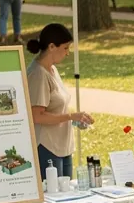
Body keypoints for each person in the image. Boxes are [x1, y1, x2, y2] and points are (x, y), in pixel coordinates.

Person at [26, 23, 93, 178]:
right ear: (51, 47)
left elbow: (57, 108)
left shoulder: (52, 69)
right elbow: (37, 116)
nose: (68, 53)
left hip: (63, 145)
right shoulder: (38, 75)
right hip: (47, 146)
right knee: (54, 196)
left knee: (67, 194)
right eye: (65, 48)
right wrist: (70, 116)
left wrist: (77, 119)